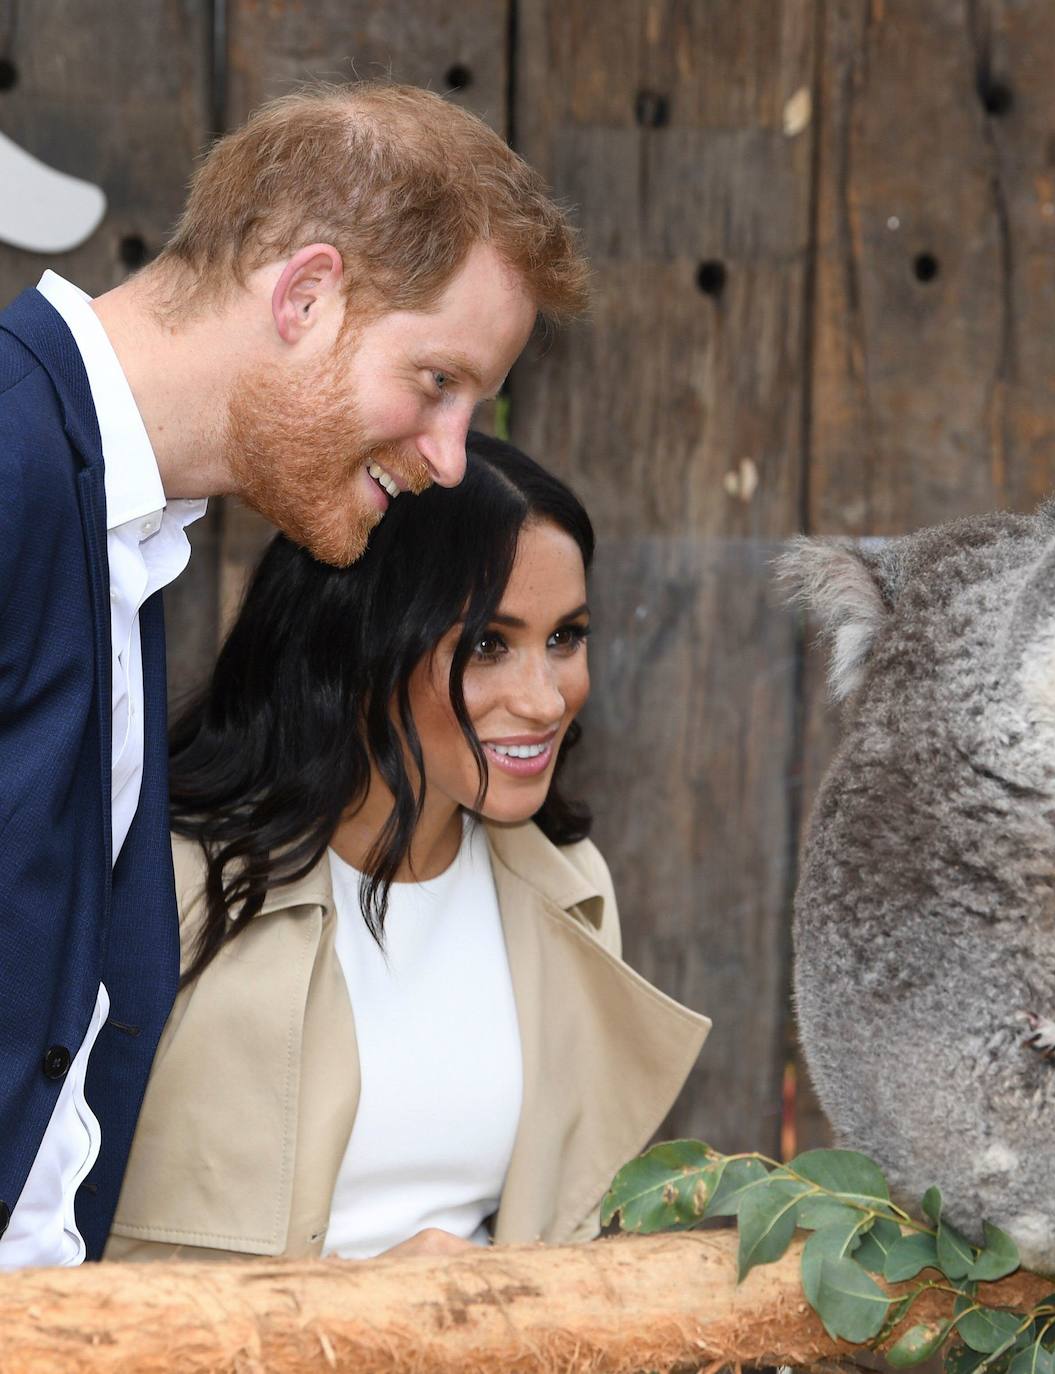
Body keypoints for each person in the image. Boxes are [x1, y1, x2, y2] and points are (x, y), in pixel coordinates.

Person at [0, 81, 588, 1266]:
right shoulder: (12, 464)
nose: (446, 457)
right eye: (435, 382)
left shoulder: (116, 531)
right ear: (304, 293)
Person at [103, 435, 709, 1260]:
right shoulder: (164, 881)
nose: (544, 698)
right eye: (488, 645)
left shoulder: (567, 891)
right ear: (365, 641)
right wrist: (358, 1310)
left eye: (565, 638)